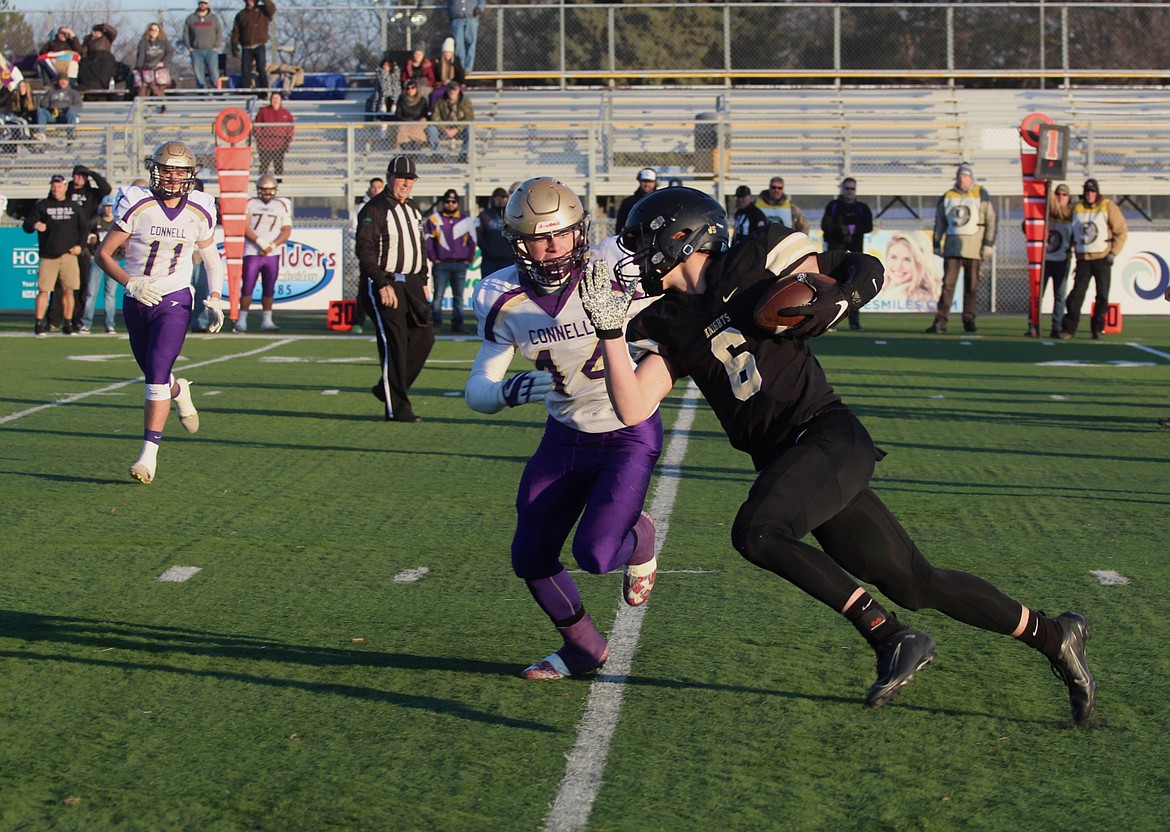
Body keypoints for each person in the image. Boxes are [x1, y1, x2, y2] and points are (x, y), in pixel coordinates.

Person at [578, 186, 1096, 723]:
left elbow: (861, 265)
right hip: (791, 460)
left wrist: (840, 297)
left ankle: (890, 635)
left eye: (644, 240)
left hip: (827, 435)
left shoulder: (757, 257)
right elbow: (635, 405)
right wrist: (611, 332)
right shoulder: (666, 318)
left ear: (681, 234)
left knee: (758, 532)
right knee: (915, 582)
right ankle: (1055, 635)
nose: (635, 254)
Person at [465, 176, 662, 680]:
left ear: (580, 230)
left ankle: (639, 535)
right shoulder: (502, 294)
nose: (552, 247)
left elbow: (672, 324)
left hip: (625, 429)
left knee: (596, 555)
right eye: (538, 236)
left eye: (561, 233)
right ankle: (583, 649)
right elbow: (479, 386)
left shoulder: (615, 271)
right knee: (529, 555)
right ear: (518, 242)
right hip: (564, 433)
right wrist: (506, 392)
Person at [95, 141, 226, 484]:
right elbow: (103, 254)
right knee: (156, 373)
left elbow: (212, 258)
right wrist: (131, 282)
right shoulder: (138, 203)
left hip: (175, 299)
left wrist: (215, 295)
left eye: (179, 171)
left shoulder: (200, 208)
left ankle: (147, 457)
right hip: (137, 299)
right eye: (166, 169)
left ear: (190, 176)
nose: (172, 177)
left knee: (155, 376)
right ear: (155, 170)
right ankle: (179, 391)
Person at [355, 155, 434, 422]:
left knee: (424, 338)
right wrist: (381, 283)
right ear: (390, 177)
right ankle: (397, 409)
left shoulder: (413, 208)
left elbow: (420, 248)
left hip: (411, 283)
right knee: (395, 345)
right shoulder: (374, 209)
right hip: (386, 282)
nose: (407, 183)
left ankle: (385, 387)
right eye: (402, 178)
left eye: (411, 179)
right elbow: (364, 249)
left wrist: (423, 281)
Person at [1053, 178, 1129, 341]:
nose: (1090, 194)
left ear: (1097, 192)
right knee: (1076, 296)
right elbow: (1059, 213)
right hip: (1083, 259)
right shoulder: (1077, 208)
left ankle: (1097, 329)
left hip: (1102, 258)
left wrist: (1113, 253)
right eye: (1087, 191)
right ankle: (1069, 329)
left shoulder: (1108, 206)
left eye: (1093, 191)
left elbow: (1121, 231)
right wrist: (1049, 195)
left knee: (1102, 295)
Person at [926, 162, 996, 334]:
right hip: (952, 247)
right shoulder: (948, 196)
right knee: (948, 286)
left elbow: (991, 219)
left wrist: (988, 243)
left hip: (974, 247)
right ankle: (941, 321)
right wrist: (936, 243)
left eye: (964, 176)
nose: (961, 179)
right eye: (959, 176)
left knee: (971, 287)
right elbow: (940, 221)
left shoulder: (981, 193)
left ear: (971, 178)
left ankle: (969, 320)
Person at [23, 174, 87, 337]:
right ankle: (39, 323)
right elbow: (27, 224)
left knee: (69, 290)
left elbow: (84, 228)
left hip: (68, 255)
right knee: (44, 290)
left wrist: (80, 246)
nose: (56, 189)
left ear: (65, 187)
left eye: (59, 186)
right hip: (48, 255)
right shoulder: (42, 205)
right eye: (54, 186)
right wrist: (35, 224)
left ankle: (68, 323)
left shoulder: (73, 206)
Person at [236, 173, 291, 333]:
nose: (267, 193)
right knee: (247, 286)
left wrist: (272, 245)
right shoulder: (250, 203)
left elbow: (287, 230)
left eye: (269, 190)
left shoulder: (282, 204)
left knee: (269, 287)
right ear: (258, 189)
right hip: (252, 251)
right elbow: (244, 227)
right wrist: (261, 243)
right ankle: (242, 320)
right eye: (264, 190)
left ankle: (267, 320)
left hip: (272, 253)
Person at [821, 177, 874, 331]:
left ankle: (854, 322)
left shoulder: (862, 208)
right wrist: (840, 229)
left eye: (852, 189)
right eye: (847, 188)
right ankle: (831, 322)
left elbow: (868, 225)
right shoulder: (833, 206)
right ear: (842, 189)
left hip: (855, 255)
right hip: (836, 256)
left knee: (855, 289)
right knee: (832, 288)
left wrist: (852, 230)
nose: (849, 192)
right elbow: (826, 225)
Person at [65, 164, 112, 330]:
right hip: (67, 238)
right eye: (77, 175)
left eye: (82, 175)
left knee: (85, 283)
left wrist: (92, 173)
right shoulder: (67, 190)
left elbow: (106, 189)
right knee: (64, 285)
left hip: (84, 241)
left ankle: (79, 319)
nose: (79, 178)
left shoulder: (91, 192)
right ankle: (58, 319)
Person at [424, 188, 476, 334]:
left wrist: (468, 259)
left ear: (458, 203)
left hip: (460, 264)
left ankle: (458, 324)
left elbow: (473, 241)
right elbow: (428, 241)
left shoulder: (465, 219)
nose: (450, 204)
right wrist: (434, 259)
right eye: (447, 201)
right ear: (443, 203)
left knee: (459, 296)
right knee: (438, 295)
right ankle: (436, 323)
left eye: (453, 201)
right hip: (442, 263)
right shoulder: (434, 219)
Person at [1028, 182, 1074, 338]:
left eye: (1064, 195)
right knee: (1037, 294)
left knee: (1060, 295)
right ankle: (1033, 324)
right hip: (1045, 259)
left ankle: (1057, 326)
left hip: (1062, 259)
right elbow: (1027, 225)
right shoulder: (1046, 211)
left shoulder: (1072, 214)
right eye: (1058, 194)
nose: (1061, 197)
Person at [80, 194, 121, 334]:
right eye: (107, 206)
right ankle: (86, 323)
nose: (109, 209)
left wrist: (120, 256)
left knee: (110, 294)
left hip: (112, 260)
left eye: (111, 206)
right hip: (97, 260)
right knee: (91, 293)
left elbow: (124, 242)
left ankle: (109, 324)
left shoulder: (118, 222)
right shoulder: (95, 221)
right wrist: (89, 254)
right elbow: (84, 238)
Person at [882, 231, 940, 308]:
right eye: (893, 257)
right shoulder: (886, 289)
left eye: (907, 260)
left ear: (921, 262)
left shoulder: (915, 300)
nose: (898, 266)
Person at [230, 0, 276, 94]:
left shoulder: (263, 11)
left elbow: (272, 8)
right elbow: (236, 31)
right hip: (246, 47)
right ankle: (246, 93)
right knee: (246, 71)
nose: (250, 1)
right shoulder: (241, 14)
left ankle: (264, 92)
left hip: (260, 45)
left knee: (261, 70)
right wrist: (234, 44)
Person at [184, 1, 224, 90]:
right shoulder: (191, 18)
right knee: (199, 75)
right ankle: (202, 94)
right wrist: (189, 47)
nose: (203, 5)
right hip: (196, 51)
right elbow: (186, 33)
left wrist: (216, 46)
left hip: (211, 51)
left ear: (208, 4)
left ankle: (217, 93)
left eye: (205, 3)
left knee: (214, 73)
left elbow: (219, 32)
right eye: (201, 3)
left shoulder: (213, 18)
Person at [254, 91, 294, 179]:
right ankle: (262, 182)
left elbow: (290, 129)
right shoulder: (263, 111)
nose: (275, 101)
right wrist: (260, 139)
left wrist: (287, 142)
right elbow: (256, 126)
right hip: (265, 145)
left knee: (278, 165)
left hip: (279, 145)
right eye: (273, 98)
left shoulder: (286, 113)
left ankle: (279, 182)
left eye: (277, 98)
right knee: (264, 165)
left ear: (280, 101)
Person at [427, 83, 473, 159]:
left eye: (454, 89)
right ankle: (437, 155)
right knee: (431, 129)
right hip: (444, 129)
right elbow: (435, 117)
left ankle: (463, 154)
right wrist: (444, 129)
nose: (452, 92)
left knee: (470, 130)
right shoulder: (440, 101)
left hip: (459, 129)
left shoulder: (465, 101)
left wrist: (457, 129)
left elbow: (470, 117)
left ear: (458, 90)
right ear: (447, 90)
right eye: (450, 89)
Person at [477, 186, 511, 279]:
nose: (501, 200)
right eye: (498, 198)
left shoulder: (511, 215)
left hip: (509, 260)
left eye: (504, 197)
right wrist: (488, 250)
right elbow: (478, 236)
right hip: (490, 260)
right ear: (493, 199)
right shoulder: (484, 215)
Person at [134, 22, 174, 100]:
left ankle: (163, 103)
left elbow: (170, 53)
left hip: (161, 70)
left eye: (156, 30)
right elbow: (140, 56)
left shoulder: (164, 41)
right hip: (147, 69)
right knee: (143, 88)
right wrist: (139, 67)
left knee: (156, 87)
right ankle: (143, 106)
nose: (154, 32)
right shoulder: (144, 42)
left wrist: (163, 62)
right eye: (152, 30)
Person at [77, 23, 118, 93]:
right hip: (92, 60)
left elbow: (114, 32)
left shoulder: (107, 38)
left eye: (99, 31)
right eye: (96, 31)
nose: (97, 33)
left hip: (104, 59)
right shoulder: (88, 40)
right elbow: (84, 52)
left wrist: (103, 26)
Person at [614, 168, 658, 234]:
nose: (647, 185)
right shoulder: (628, 202)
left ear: (655, 182)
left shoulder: (661, 201)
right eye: (644, 181)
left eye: (650, 182)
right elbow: (620, 225)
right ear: (639, 181)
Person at [447, 0, 485, 73]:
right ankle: (460, 67)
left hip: (472, 18)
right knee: (458, 45)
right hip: (456, 19)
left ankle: (468, 67)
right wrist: (423, 3)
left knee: (470, 43)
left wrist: (479, 8)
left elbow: (482, 1)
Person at [393, 79, 430, 149]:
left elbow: (424, 115)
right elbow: (398, 115)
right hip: (405, 122)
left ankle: (417, 150)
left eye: (413, 88)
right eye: (408, 88)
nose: (410, 90)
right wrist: (407, 121)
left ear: (416, 89)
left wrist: (417, 121)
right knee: (402, 131)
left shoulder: (422, 100)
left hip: (418, 123)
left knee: (418, 130)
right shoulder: (401, 100)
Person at [368, 56, 401, 123]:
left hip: (393, 101)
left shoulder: (395, 78)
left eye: (387, 65)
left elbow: (397, 90)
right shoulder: (380, 78)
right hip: (382, 101)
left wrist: (394, 102)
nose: (385, 67)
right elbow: (376, 93)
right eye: (384, 65)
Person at [433, 36, 466, 101]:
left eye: (449, 52)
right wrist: (440, 82)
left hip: (455, 84)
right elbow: (437, 76)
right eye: (445, 52)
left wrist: (461, 83)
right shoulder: (439, 62)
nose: (447, 54)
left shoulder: (456, 61)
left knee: (456, 93)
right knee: (435, 94)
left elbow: (460, 74)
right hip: (443, 84)